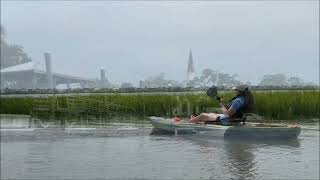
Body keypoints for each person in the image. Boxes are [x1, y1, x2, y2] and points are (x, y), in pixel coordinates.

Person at [188, 84, 254, 125]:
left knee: (203, 115)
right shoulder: (246, 99)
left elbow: (228, 114)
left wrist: (222, 105)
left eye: (236, 90)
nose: (235, 91)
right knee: (211, 114)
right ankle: (196, 119)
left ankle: (189, 122)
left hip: (230, 119)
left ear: (239, 91)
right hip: (238, 119)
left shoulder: (238, 100)